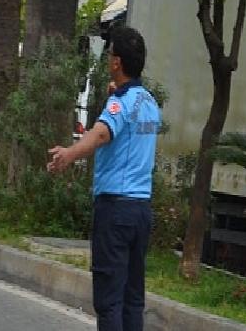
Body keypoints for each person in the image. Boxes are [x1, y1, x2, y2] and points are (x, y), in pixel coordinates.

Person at [47, 26, 160, 331]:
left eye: (111, 55)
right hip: (141, 211)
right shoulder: (149, 103)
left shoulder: (118, 105)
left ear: (116, 63)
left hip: (115, 210)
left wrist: (69, 154)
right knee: (132, 298)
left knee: (109, 300)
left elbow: (99, 135)